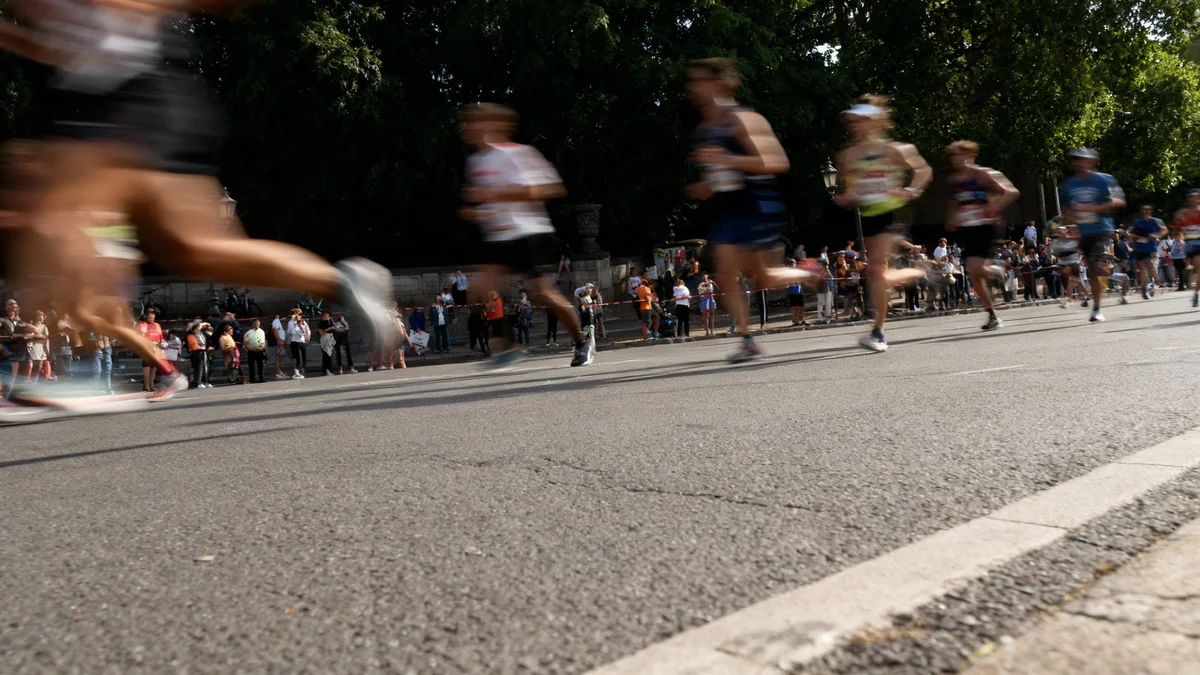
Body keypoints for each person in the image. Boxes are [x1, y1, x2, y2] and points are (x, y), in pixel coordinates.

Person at [0, 0, 397, 404]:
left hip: (128, 102)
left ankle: (84, 371)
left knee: (45, 206)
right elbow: (57, 44)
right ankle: (341, 281)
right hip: (142, 102)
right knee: (193, 250)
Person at [685, 57, 825, 362]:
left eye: (699, 80)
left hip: (756, 205)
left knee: (763, 278)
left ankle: (807, 272)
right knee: (725, 273)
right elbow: (721, 174)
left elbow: (776, 162)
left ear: (720, 82)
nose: (692, 87)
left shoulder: (744, 119)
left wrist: (728, 160)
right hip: (726, 208)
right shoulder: (706, 129)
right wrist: (706, 186)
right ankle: (747, 340)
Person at [458, 103, 593, 367]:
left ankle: (581, 342)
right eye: (465, 123)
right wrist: (478, 212)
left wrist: (496, 194)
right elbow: (491, 202)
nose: (466, 128)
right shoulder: (476, 162)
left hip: (529, 231)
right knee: (479, 289)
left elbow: (549, 188)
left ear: (494, 124)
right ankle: (509, 345)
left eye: (473, 121)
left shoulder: (517, 154)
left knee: (543, 294)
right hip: (499, 237)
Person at [834, 95, 933, 351]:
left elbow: (924, 170)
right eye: (852, 120)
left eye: (861, 120)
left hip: (893, 213)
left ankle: (878, 333)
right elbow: (852, 185)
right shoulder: (848, 155)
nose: (854, 125)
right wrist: (848, 195)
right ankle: (920, 272)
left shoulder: (896, 150)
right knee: (879, 274)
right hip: (869, 216)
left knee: (877, 269)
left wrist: (911, 190)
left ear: (876, 121)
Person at [945, 140, 1020, 331]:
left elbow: (1011, 192)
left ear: (971, 155)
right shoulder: (955, 181)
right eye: (953, 155)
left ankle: (998, 271)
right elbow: (954, 203)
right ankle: (992, 315)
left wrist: (994, 207)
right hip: (967, 229)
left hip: (986, 226)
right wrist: (953, 218)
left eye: (960, 154)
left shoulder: (983, 174)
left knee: (974, 267)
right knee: (974, 275)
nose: (956, 159)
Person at [1059, 148, 1126, 322]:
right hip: (1083, 232)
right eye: (1076, 159)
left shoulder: (1104, 179)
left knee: (1096, 266)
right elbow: (1065, 209)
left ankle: (1097, 309)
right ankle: (1117, 280)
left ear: (1092, 161)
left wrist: (1093, 208)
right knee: (1092, 271)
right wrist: (1071, 217)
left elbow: (1119, 201)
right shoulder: (1069, 184)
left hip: (1102, 229)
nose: (1080, 162)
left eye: (1083, 159)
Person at [1129, 205, 1167, 300]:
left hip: (1152, 248)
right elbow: (1129, 232)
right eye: (1144, 210)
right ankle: (1144, 288)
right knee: (1142, 270)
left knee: (1151, 266)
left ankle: (1155, 282)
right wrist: (1136, 238)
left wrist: (1156, 235)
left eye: (1148, 210)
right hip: (1140, 248)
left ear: (1151, 211)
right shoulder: (1137, 222)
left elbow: (1165, 230)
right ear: (1141, 211)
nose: (1146, 211)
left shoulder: (1156, 221)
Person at [1173, 190, 1200, 307]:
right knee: (1197, 270)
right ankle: (1196, 292)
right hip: (1190, 243)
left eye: (1196, 197)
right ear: (1187, 199)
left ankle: (1196, 293)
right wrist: (1180, 228)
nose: (1194, 199)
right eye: (1191, 197)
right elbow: (1177, 229)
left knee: (1198, 270)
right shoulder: (1181, 213)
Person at [136, 310, 165, 393]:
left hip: (156, 347)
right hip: (147, 348)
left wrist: (162, 342)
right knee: (147, 365)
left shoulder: (157, 325)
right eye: (150, 317)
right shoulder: (142, 325)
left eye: (153, 317)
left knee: (154, 366)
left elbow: (161, 337)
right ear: (146, 317)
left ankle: (151, 384)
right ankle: (146, 386)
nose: (151, 319)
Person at [186, 321, 211, 389]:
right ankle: (198, 382)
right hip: (196, 352)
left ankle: (205, 381)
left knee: (205, 367)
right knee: (199, 368)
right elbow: (193, 345)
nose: (200, 328)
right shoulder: (191, 335)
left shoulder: (202, 332)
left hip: (203, 351)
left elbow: (208, 325)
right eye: (198, 327)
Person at [286, 309, 310, 379]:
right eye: (299, 314)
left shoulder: (303, 322)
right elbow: (289, 332)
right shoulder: (291, 322)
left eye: (301, 314)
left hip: (302, 341)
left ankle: (302, 369)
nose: (300, 316)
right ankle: (296, 371)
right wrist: (295, 326)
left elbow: (307, 329)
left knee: (304, 355)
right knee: (296, 357)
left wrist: (307, 336)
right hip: (294, 341)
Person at [243, 318, 266, 383]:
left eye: (258, 324)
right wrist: (252, 348)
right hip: (252, 351)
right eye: (256, 324)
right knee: (251, 365)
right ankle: (252, 379)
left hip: (260, 350)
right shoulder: (249, 333)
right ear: (252, 325)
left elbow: (264, 341)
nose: (257, 325)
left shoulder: (262, 331)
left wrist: (262, 347)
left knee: (261, 364)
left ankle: (261, 377)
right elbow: (245, 343)